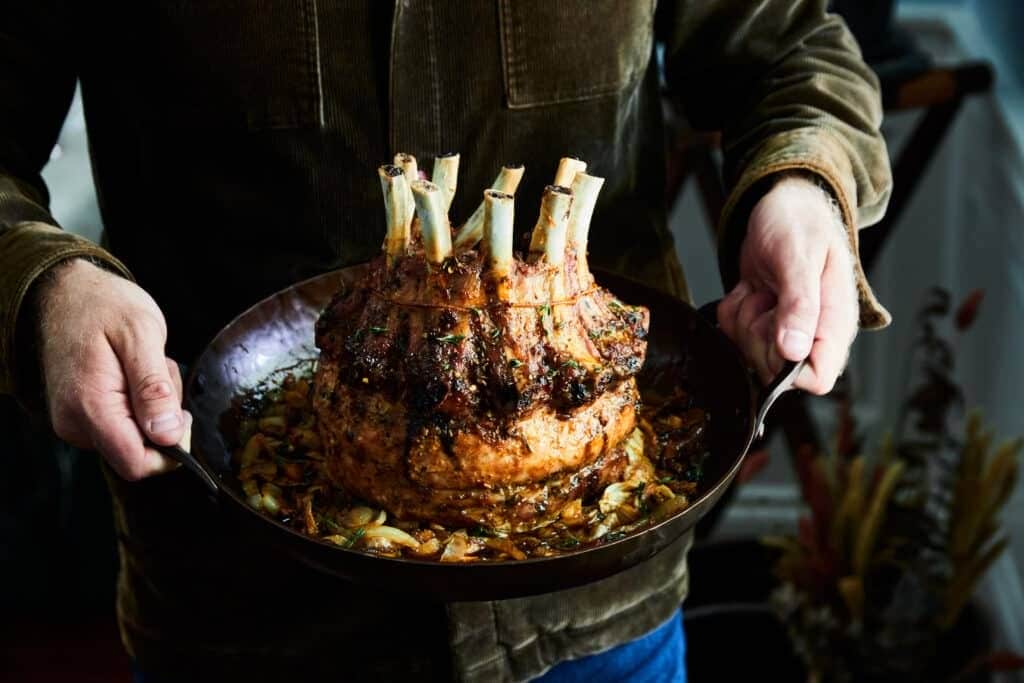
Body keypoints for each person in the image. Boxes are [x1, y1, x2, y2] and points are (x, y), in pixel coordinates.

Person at [0, 1, 892, 681]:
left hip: (599, 613)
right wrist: (43, 285)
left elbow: (789, 48)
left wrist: (805, 183)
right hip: (240, 605)